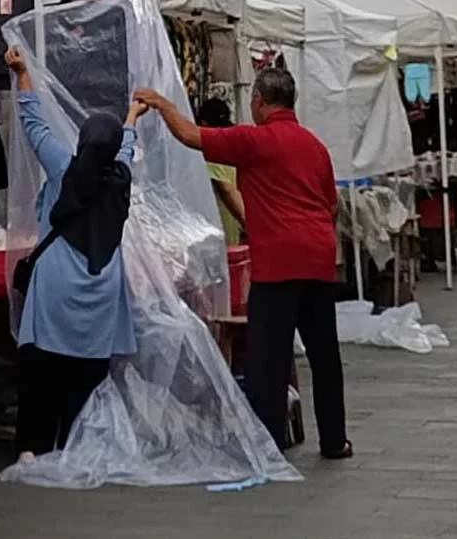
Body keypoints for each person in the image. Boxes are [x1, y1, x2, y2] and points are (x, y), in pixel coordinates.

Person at [133, 68, 353, 460]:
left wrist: (161, 103)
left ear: (259, 101)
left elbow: (190, 135)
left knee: (268, 355)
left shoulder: (255, 140)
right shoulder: (315, 146)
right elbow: (331, 205)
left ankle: (267, 444)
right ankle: (335, 440)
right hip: (318, 259)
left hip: (277, 262)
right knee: (324, 355)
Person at [3, 48, 149, 464]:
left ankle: (32, 447)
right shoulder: (120, 178)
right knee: (86, 375)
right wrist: (133, 117)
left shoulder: (63, 168)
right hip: (101, 288)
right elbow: (125, 145)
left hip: (54, 287)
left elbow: (34, 124)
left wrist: (22, 73)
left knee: (41, 372)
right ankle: (76, 444)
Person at [196, 98, 245, 245]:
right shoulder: (229, 146)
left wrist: (246, 221)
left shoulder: (210, 149)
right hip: (227, 228)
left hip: (220, 230)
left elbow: (227, 188)